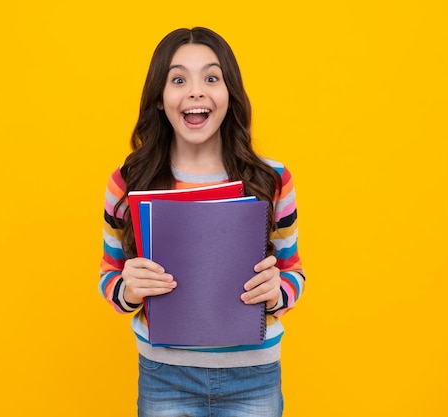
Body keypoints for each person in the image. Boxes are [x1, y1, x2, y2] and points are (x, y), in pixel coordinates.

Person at [99, 27, 305, 417]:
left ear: (230, 95)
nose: (195, 91)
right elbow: (109, 275)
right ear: (160, 99)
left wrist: (277, 289)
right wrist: (128, 288)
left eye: (211, 78)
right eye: (178, 79)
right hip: (164, 376)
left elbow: (294, 273)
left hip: (254, 376)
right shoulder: (128, 181)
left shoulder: (272, 180)